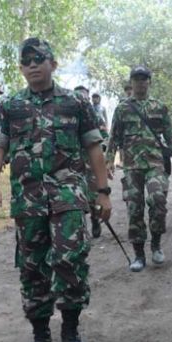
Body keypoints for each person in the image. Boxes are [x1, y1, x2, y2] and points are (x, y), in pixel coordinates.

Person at [0, 38, 111, 342]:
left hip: (68, 195)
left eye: (39, 59)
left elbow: (94, 146)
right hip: (28, 200)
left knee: (69, 260)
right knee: (32, 266)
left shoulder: (75, 103)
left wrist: (103, 191)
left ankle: (71, 331)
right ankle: (41, 335)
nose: (32, 65)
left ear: (53, 63)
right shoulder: (10, 106)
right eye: (26, 61)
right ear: (20, 67)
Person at [106, 65, 172, 272]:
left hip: (155, 164)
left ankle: (156, 244)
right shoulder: (122, 108)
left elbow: (170, 137)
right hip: (131, 166)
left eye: (144, 79)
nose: (140, 82)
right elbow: (113, 137)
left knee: (158, 200)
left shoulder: (159, 107)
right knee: (134, 208)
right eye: (136, 78)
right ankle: (139, 255)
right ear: (131, 82)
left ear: (149, 82)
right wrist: (108, 162)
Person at [74, 85, 108, 238]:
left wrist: (104, 147)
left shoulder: (94, 114)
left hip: (91, 160)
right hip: (74, 162)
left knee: (94, 194)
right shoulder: (67, 114)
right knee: (76, 194)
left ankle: (95, 219)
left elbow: (103, 133)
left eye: (84, 95)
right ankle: (79, 227)